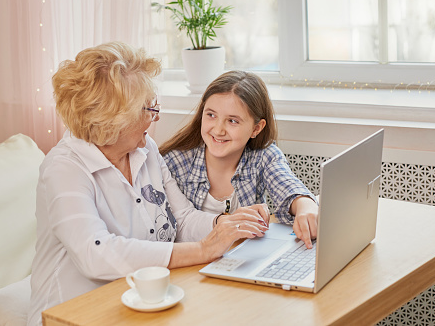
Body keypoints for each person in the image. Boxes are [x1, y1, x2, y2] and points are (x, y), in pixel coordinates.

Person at [27, 43, 268, 326]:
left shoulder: (144, 149)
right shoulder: (64, 168)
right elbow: (95, 253)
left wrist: (227, 226)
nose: (155, 116)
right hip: (74, 314)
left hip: (142, 302)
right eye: (147, 108)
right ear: (112, 120)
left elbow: (183, 218)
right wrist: (203, 250)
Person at [159, 70, 318, 249]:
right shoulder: (175, 163)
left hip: (242, 258)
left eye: (232, 121)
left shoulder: (263, 156)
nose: (218, 130)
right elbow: (169, 228)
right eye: (211, 115)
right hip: (192, 262)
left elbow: (288, 187)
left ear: (256, 128)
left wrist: (307, 206)